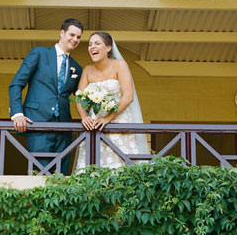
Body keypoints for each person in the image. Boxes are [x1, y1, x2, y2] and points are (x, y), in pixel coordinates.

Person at [9, 18, 84, 174]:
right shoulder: (39, 53)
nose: (75, 39)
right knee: (40, 173)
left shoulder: (76, 67)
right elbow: (16, 84)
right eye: (72, 35)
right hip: (37, 122)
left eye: (78, 37)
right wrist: (17, 113)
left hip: (64, 127)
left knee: (61, 175)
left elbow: (81, 98)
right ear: (62, 33)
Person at [73, 31, 149, 170]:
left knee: (120, 166)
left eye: (97, 43)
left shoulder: (120, 65)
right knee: (92, 165)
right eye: (90, 44)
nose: (92, 47)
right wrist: (84, 117)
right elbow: (79, 98)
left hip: (118, 122)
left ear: (108, 48)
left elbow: (128, 96)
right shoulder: (88, 70)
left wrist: (108, 118)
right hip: (95, 125)